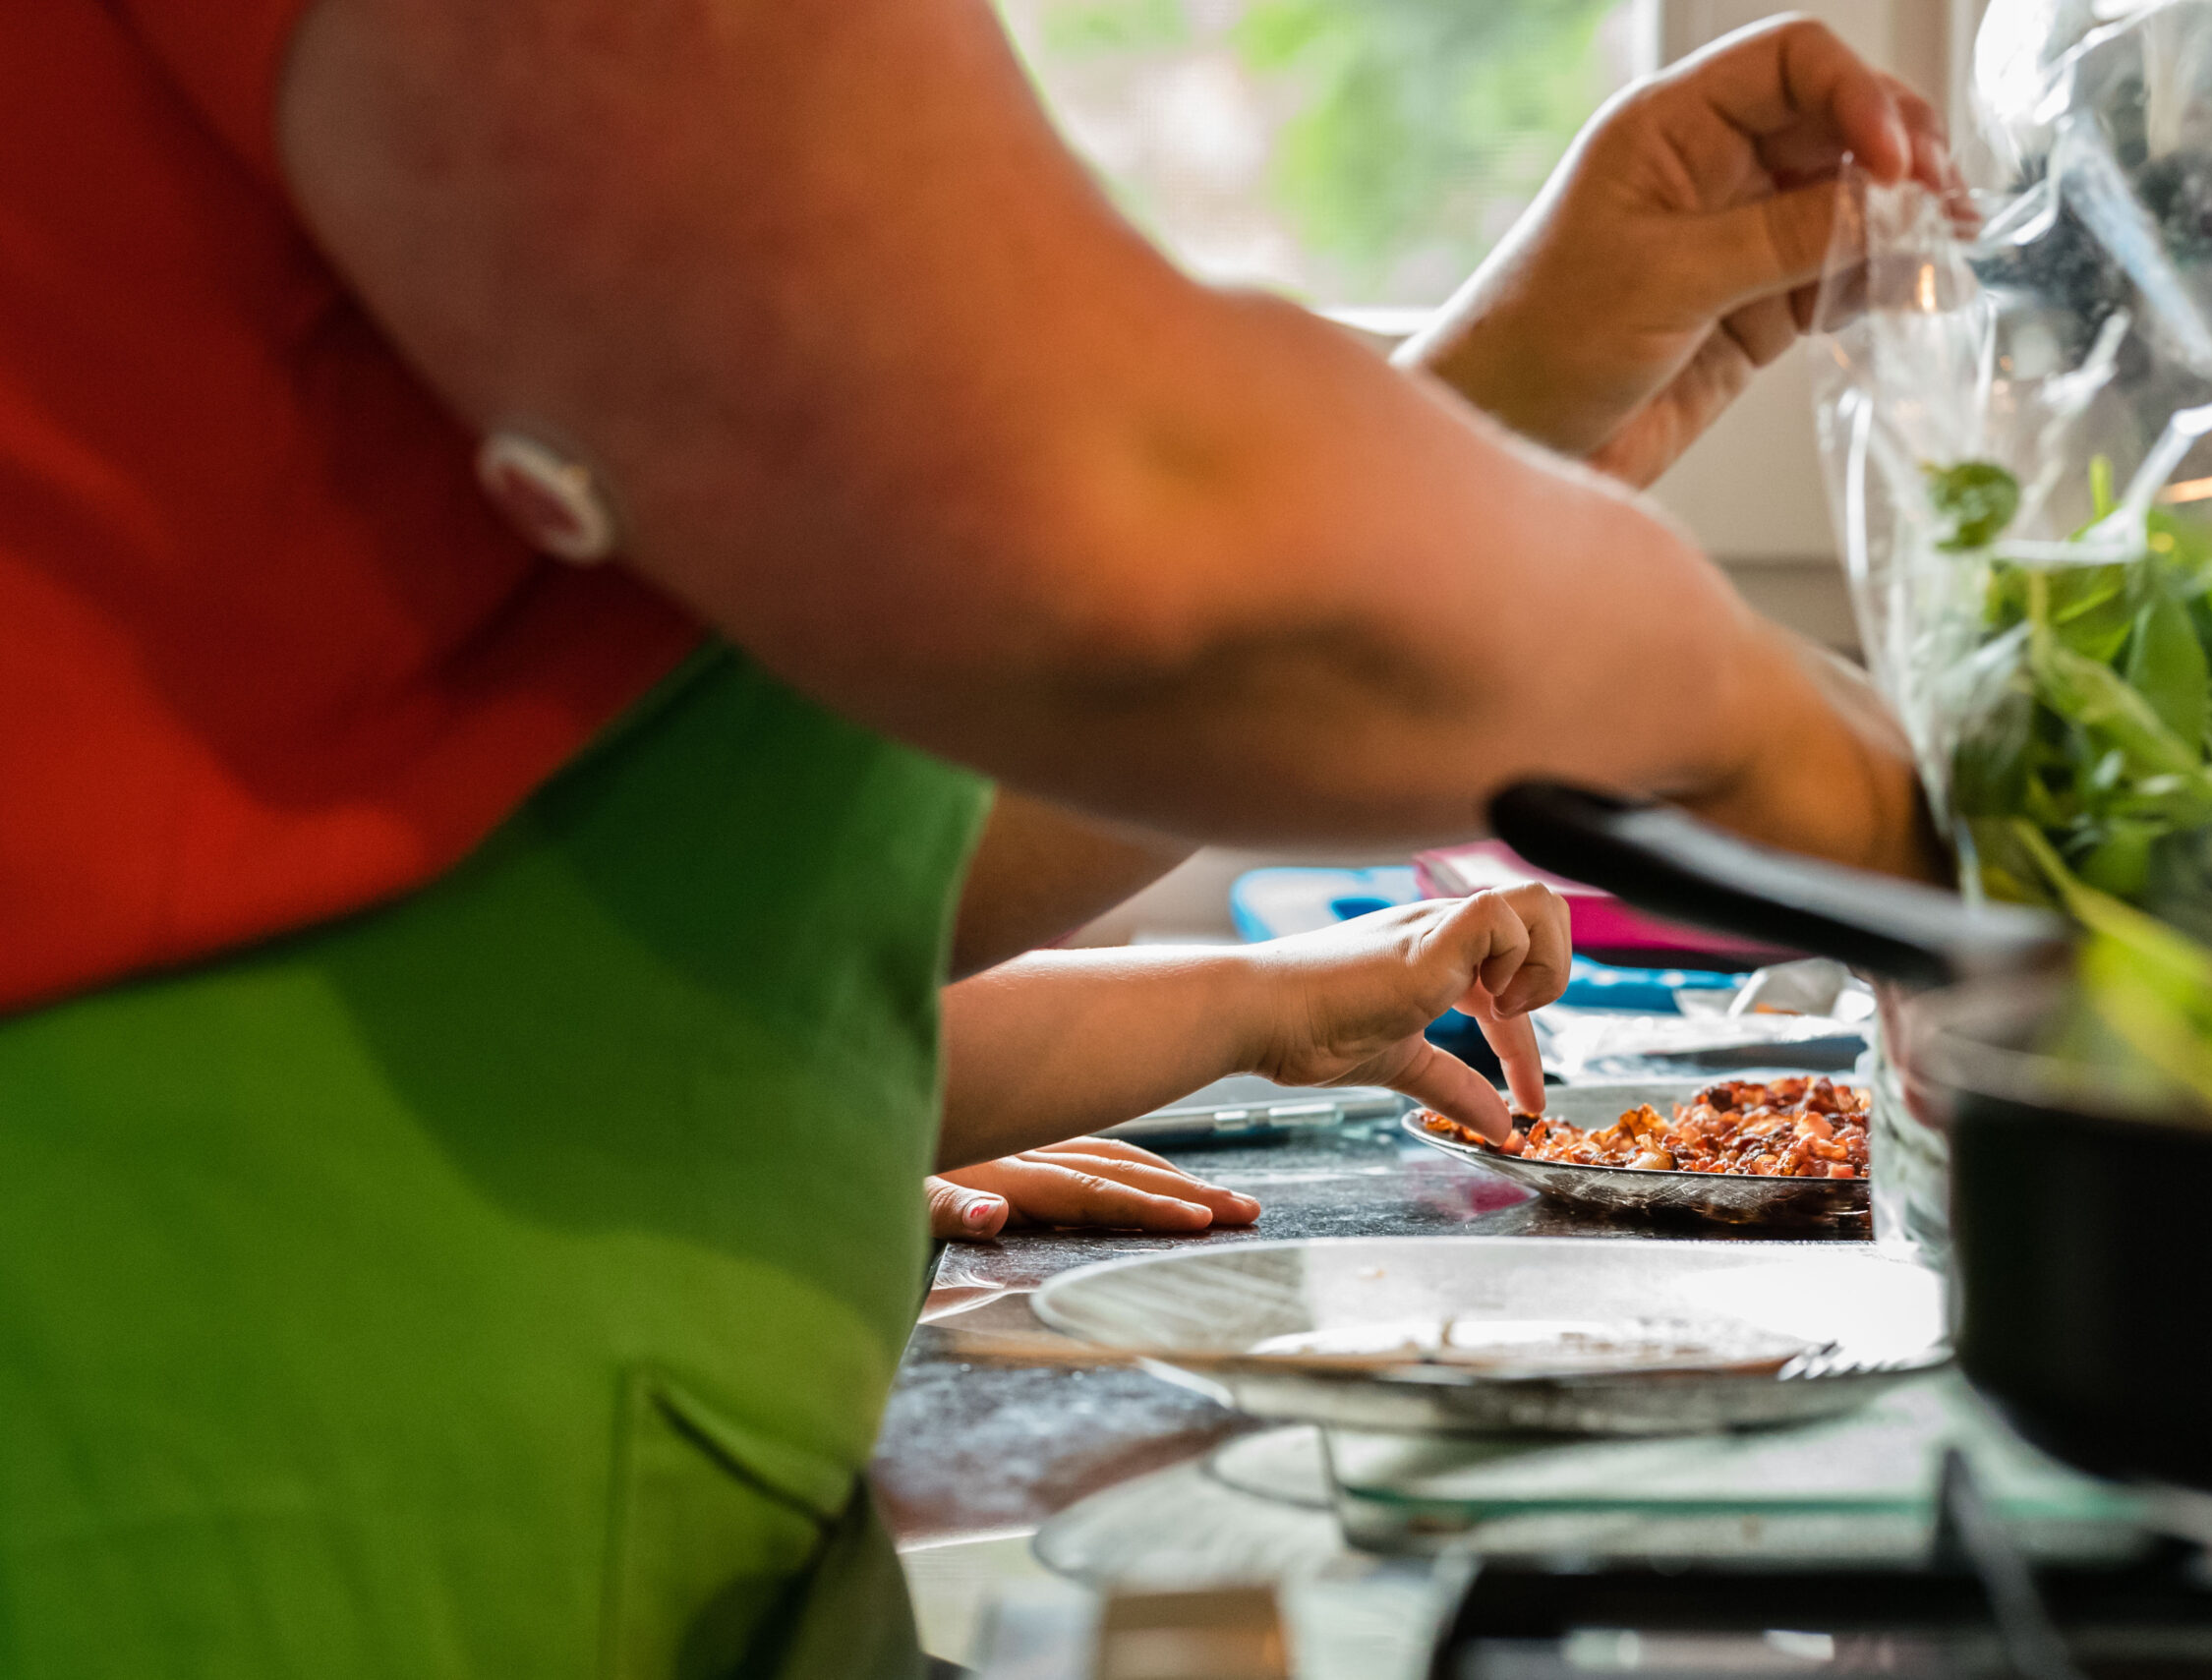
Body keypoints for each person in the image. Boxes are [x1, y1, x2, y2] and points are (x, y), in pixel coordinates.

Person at [0, 1, 1947, 1673]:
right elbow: (1098, 527)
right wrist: (1824, 765)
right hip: (229, 1480)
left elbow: (860, 822)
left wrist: (1506, 417)